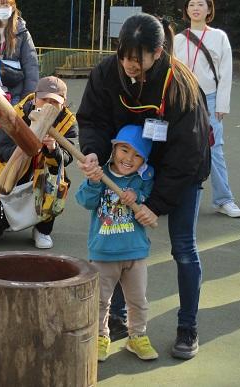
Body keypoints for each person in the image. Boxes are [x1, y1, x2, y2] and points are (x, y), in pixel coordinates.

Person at [76, 14, 211, 360]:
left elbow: (187, 152)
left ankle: (188, 326)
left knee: (183, 247)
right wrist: (93, 153)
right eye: (124, 55)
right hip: (127, 169)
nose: (129, 64)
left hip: (180, 173)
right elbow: (93, 119)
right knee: (120, 242)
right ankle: (118, 319)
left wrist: (158, 202)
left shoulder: (180, 85)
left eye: (138, 58)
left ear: (158, 52)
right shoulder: (108, 72)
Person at [76, 124, 157, 362]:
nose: (129, 159)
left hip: (135, 252)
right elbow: (85, 201)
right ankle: (101, 336)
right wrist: (93, 183)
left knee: (138, 300)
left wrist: (138, 197)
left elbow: (149, 199)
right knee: (100, 300)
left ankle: (137, 336)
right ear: (113, 149)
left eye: (137, 155)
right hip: (103, 252)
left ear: (144, 160)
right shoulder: (100, 174)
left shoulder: (143, 179)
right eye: (124, 150)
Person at [0, 76, 77, 248]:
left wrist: (52, 149)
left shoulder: (67, 122)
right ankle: (5, 222)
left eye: (54, 101)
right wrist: (28, 145)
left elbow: (68, 156)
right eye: (44, 99)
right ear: (35, 98)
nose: (48, 104)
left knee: (58, 181)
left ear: (63, 103)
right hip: (11, 172)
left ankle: (42, 229)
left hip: (43, 175)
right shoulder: (15, 114)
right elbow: (2, 151)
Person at [174, 0, 240, 218]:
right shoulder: (177, 39)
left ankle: (223, 200)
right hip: (184, 98)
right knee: (177, 147)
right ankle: (172, 197)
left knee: (215, 149)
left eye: (201, 4)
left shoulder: (219, 37)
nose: (196, 8)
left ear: (209, 9)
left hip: (211, 99)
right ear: (186, 10)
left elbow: (226, 71)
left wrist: (222, 104)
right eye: (192, 4)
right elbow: (172, 71)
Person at [0, 0, 39, 104]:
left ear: (13, 7)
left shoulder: (23, 33)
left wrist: (27, 97)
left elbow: (31, 66)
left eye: (5, 5)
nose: (2, 8)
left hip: (15, 94)